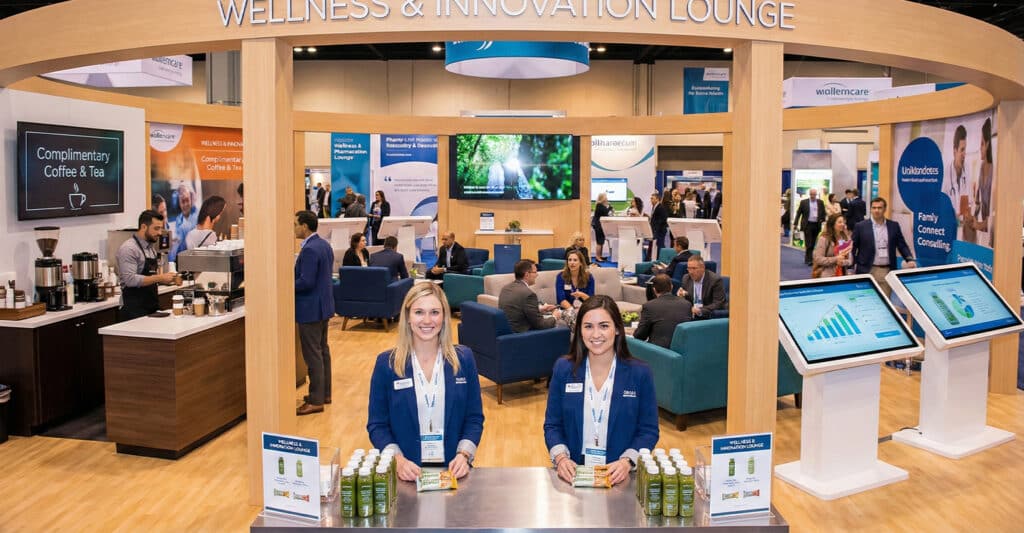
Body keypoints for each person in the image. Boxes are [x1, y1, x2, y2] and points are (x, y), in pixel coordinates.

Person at [366, 283, 484, 481]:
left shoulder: (464, 359)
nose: (427, 320)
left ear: (444, 317)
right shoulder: (387, 364)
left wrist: (464, 455)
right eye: (419, 312)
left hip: (452, 473)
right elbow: (377, 425)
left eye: (435, 312)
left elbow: (474, 418)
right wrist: (397, 460)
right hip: (407, 473)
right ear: (408, 317)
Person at [544, 295, 659, 486]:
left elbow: (648, 430)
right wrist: (561, 458)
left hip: (619, 476)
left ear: (617, 330)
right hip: (573, 475)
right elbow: (552, 425)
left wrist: (627, 462)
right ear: (579, 331)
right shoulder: (563, 368)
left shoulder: (640, 373)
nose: (595, 334)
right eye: (588, 326)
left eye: (604, 326)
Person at [293, 210, 336, 415]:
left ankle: (316, 400)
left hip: (309, 309)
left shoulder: (309, 249)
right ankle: (324, 393)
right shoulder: (324, 245)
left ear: (304, 226)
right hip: (323, 307)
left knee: (313, 356)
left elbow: (306, 282)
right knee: (322, 351)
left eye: (295, 224)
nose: (293, 228)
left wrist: (284, 284)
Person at [116, 210, 178, 321]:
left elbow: (149, 276)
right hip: (133, 311)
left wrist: (165, 280)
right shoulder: (129, 249)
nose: (160, 233)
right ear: (144, 227)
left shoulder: (151, 248)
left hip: (150, 308)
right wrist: (160, 277)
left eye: (161, 228)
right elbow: (130, 279)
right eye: (156, 228)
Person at [851, 197, 916, 296]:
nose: (876, 210)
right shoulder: (861, 226)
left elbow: (902, 245)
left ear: (885, 209)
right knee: (865, 301)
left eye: (879, 208)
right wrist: (851, 266)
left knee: (885, 302)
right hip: (866, 270)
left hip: (886, 271)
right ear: (871, 209)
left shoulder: (894, 226)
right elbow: (853, 247)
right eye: (874, 208)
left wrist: (909, 259)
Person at [499, 259, 561, 333]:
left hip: (508, 330)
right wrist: (554, 317)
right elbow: (541, 325)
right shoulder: (529, 294)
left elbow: (518, 309)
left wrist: (539, 309)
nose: (537, 275)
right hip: (522, 334)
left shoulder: (506, 288)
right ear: (527, 275)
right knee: (561, 327)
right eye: (535, 272)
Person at [633, 274, 692, 349]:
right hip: (683, 349)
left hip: (660, 353)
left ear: (654, 290)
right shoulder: (687, 304)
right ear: (671, 287)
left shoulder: (649, 306)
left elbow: (640, 336)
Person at [972, 118, 994, 245]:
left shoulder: (994, 170)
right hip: (984, 231)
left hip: (990, 229)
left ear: (987, 145)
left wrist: (981, 224)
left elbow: (995, 214)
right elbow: (978, 202)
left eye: (981, 144)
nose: (980, 148)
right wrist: (974, 217)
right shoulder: (981, 168)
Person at [812, 213, 853, 278]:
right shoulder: (824, 239)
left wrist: (843, 262)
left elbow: (850, 260)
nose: (842, 224)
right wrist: (836, 259)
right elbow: (818, 259)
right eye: (840, 222)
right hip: (826, 276)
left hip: (842, 275)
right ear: (832, 224)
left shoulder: (846, 238)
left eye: (843, 222)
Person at [794, 188, 827, 266]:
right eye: (811, 194)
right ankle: (809, 259)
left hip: (816, 225)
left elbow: (823, 212)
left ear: (816, 195)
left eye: (814, 194)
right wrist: (795, 223)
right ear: (809, 194)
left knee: (813, 243)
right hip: (807, 224)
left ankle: (809, 258)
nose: (812, 196)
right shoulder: (803, 202)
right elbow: (799, 213)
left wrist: (823, 219)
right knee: (808, 243)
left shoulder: (820, 202)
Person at [170, 182, 199, 262]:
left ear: (191, 199)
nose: (185, 204)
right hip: (182, 260)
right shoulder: (179, 219)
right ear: (178, 203)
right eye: (183, 201)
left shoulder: (198, 217)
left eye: (187, 200)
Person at [592, 193, 612, 262]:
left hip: (600, 225)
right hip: (598, 226)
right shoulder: (599, 205)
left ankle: (600, 256)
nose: (607, 199)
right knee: (599, 242)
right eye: (606, 197)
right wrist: (609, 207)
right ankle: (597, 257)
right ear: (603, 198)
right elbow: (606, 212)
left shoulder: (600, 205)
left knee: (601, 241)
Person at [649, 192, 667, 258]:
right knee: (657, 245)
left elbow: (663, 219)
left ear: (657, 199)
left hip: (660, 230)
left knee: (660, 245)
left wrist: (656, 228)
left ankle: (662, 257)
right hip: (656, 230)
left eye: (652, 199)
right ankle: (657, 257)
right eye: (651, 199)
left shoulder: (660, 207)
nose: (651, 200)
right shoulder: (654, 207)